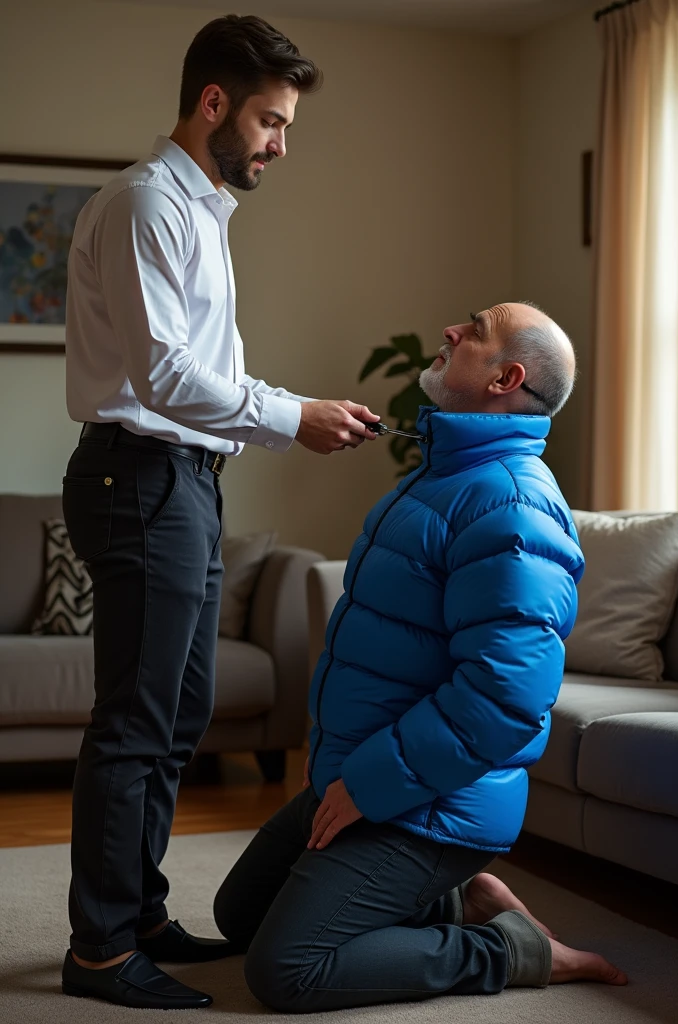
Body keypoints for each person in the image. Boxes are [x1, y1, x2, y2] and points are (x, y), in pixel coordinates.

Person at [60, 14, 379, 1012]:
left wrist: (290, 414)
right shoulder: (148, 204)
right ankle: (101, 949)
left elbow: (203, 374)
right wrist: (296, 415)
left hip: (184, 478)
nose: (281, 143)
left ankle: (138, 911)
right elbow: (163, 377)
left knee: (177, 714)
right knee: (137, 721)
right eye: (273, 122)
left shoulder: (201, 212)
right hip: (140, 474)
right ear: (213, 106)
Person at [212, 301, 629, 1012]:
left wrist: (367, 782)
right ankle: (462, 903)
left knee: (286, 969)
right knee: (240, 916)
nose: (451, 332)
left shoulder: (514, 507)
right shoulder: (437, 476)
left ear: (508, 377)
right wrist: (334, 750)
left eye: (476, 330)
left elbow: (503, 700)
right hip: (379, 771)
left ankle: (517, 947)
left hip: (435, 802)